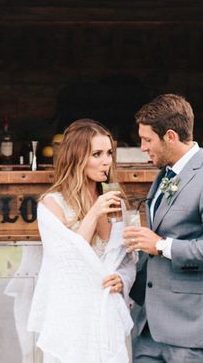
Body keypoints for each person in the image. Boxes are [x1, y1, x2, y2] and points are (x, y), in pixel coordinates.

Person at [124, 94, 203, 362]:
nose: (142, 147)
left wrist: (161, 245)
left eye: (147, 140)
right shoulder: (165, 174)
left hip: (193, 330)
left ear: (170, 136)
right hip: (149, 329)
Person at [27, 119, 136, 363]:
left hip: (107, 314)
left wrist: (122, 279)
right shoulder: (51, 204)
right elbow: (67, 258)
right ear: (77, 158)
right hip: (72, 315)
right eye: (97, 154)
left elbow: (126, 258)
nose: (106, 161)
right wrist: (95, 212)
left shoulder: (114, 199)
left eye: (109, 153)